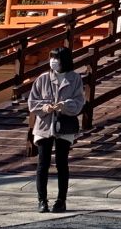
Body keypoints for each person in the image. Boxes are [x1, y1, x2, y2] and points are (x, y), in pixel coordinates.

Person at [27, 46, 84, 213]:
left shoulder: (75, 78)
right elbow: (32, 102)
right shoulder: (43, 78)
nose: (53, 61)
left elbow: (79, 102)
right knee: (42, 163)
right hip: (44, 124)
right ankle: (42, 200)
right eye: (51, 58)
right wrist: (44, 107)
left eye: (56, 58)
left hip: (64, 124)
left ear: (64, 60)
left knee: (62, 163)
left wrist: (64, 106)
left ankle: (61, 200)